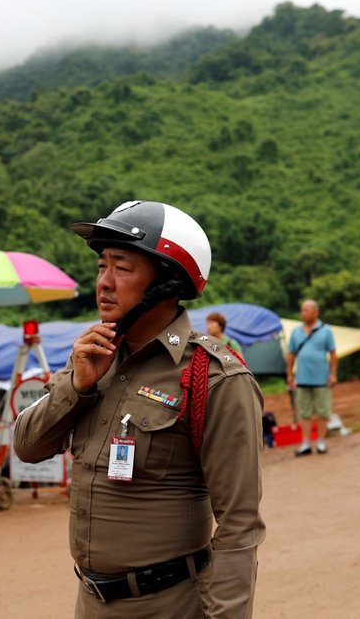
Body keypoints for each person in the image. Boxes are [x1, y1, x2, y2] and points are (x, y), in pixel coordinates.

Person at [14, 200, 265, 618]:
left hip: (171, 606)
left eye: (122, 267)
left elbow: (240, 526)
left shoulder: (214, 378)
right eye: (101, 267)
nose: (104, 283)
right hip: (91, 603)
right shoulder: (92, 359)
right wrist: (77, 387)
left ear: (166, 283)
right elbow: (27, 445)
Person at [286, 299, 337, 457]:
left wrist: (333, 374)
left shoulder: (326, 330)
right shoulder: (296, 332)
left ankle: (321, 441)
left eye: (306, 310)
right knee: (304, 412)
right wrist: (289, 373)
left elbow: (333, 354)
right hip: (302, 378)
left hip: (321, 378)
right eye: (302, 310)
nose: (303, 313)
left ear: (316, 312)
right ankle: (306, 443)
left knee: (323, 411)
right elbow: (291, 353)